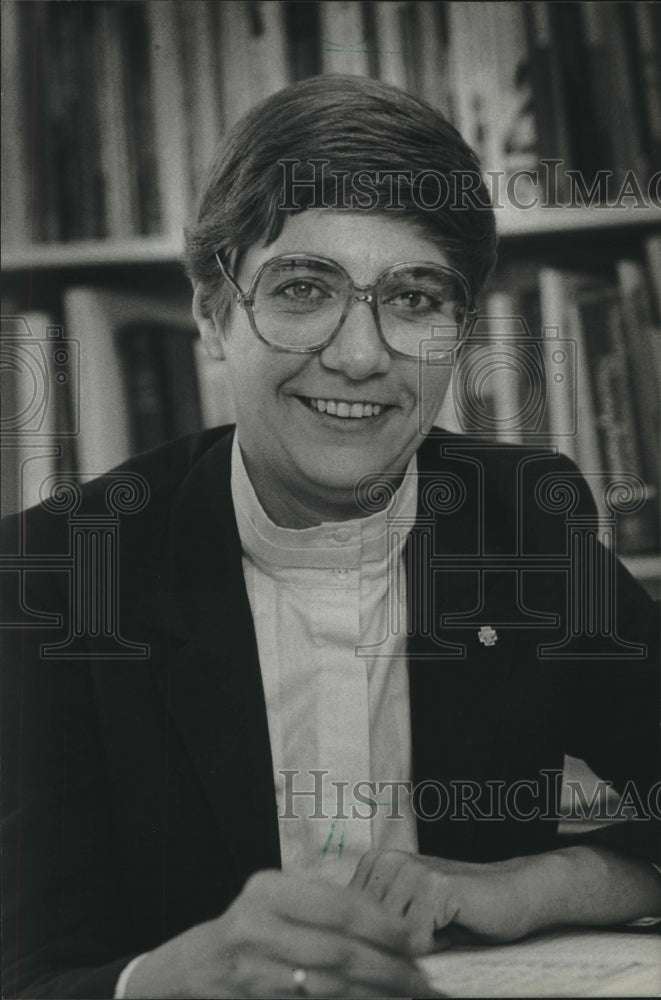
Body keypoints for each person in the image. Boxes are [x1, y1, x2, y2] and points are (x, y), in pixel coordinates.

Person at [2, 75, 659, 1000]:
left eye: (416, 298)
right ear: (211, 310)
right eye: (304, 287)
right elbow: (27, 971)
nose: (359, 354)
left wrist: (533, 885)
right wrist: (162, 980)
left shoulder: (522, 529)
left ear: (461, 330)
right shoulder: (63, 575)